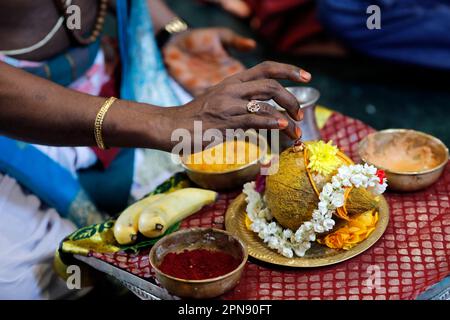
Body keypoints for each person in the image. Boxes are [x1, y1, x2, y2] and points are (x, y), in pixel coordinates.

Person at [0, 0, 310, 299]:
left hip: (117, 77)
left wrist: (169, 32)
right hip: (14, 117)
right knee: (26, 281)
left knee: (244, 167)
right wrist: (162, 122)